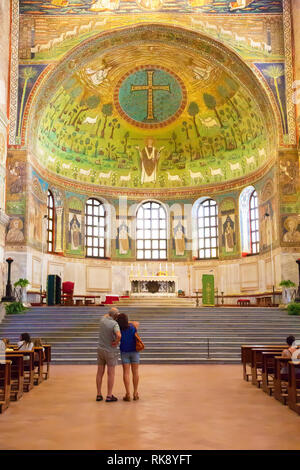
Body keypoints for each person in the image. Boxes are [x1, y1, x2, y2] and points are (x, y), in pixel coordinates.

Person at [96, 307, 121, 402]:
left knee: (99, 372)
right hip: (110, 351)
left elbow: (106, 315)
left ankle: (98, 394)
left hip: (100, 349)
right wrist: (116, 341)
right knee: (111, 373)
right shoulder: (115, 324)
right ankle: (109, 395)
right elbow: (119, 335)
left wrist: (111, 313)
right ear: (116, 316)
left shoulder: (102, 320)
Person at [116, 313, 140, 402]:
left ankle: (128, 393)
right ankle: (135, 393)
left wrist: (121, 322)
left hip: (124, 352)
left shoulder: (119, 329)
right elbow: (137, 323)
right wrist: (127, 321)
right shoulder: (133, 327)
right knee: (135, 372)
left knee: (126, 373)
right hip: (135, 351)